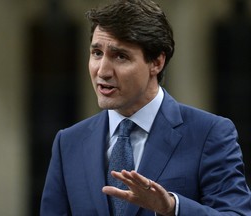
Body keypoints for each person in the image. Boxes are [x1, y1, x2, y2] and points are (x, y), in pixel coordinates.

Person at [40, 0, 251, 215]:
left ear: (157, 63)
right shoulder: (68, 143)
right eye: (97, 53)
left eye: (120, 56)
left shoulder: (209, 133)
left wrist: (172, 207)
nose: (102, 71)